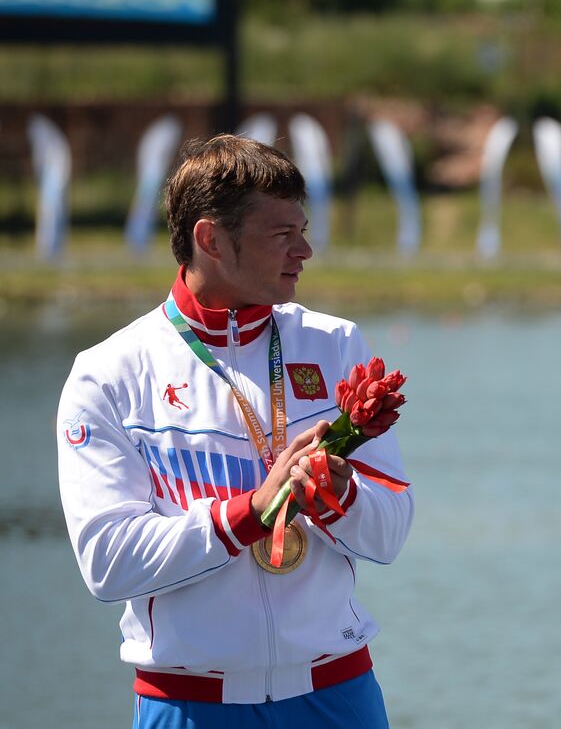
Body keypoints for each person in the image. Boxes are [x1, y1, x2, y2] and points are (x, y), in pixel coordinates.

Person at [57, 135, 413, 727]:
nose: (305, 250)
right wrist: (249, 511)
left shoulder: (334, 344)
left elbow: (391, 533)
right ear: (211, 240)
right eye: (282, 235)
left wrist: (339, 495)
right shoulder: (108, 375)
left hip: (337, 693)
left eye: (303, 229)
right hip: (188, 703)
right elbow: (108, 562)